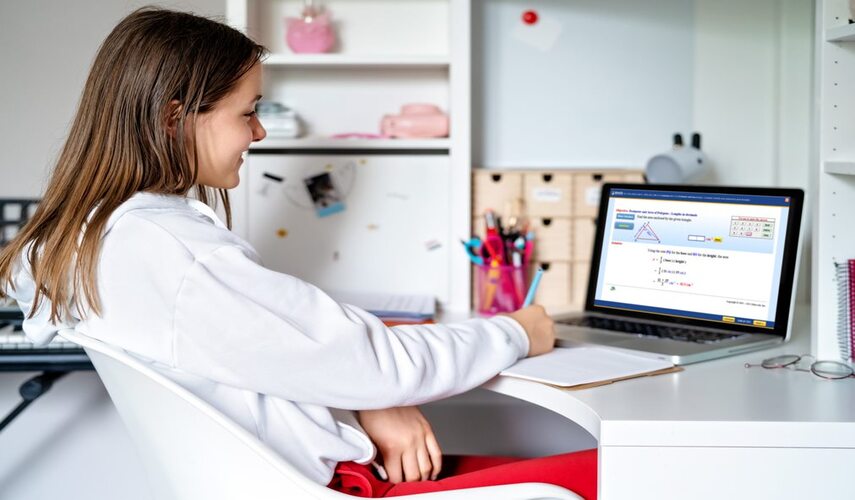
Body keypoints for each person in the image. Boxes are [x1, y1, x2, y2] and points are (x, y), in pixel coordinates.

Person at [0, 8, 596, 499]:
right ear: (176, 119)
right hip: (338, 485)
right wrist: (518, 330)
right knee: (616, 474)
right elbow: (372, 363)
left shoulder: (88, 237)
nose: (259, 133)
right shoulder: (173, 253)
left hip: (298, 473)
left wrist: (364, 394)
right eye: (248, 112)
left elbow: (291, 352)